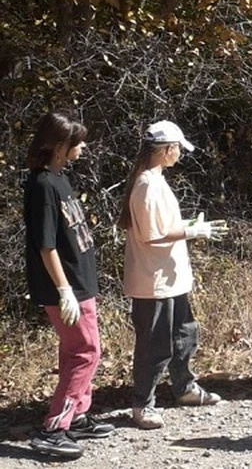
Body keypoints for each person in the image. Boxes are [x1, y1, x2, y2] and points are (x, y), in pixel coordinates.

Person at [118, 121, 228, 429]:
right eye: (177, 148)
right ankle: (143, 404)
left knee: (184, 335)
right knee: (154, 346)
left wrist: (187, 225)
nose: (179, 154)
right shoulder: (146, 185)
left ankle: (184, 387)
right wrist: (193, 231)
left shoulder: (155, 181)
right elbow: (152, 235)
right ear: (167, 150)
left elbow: (159, 225)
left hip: (170, 279)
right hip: (153, 282)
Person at [23, 112, 115, 459]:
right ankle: (53, 428)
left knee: (75, 351)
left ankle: (76, 415)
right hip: (67, 288)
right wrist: (63, 290)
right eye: (77, 141)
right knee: (86, 352)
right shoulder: (43, 185)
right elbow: (46, 245)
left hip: (80, 283)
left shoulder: (60, 179)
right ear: (59, 145)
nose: (83, 146)